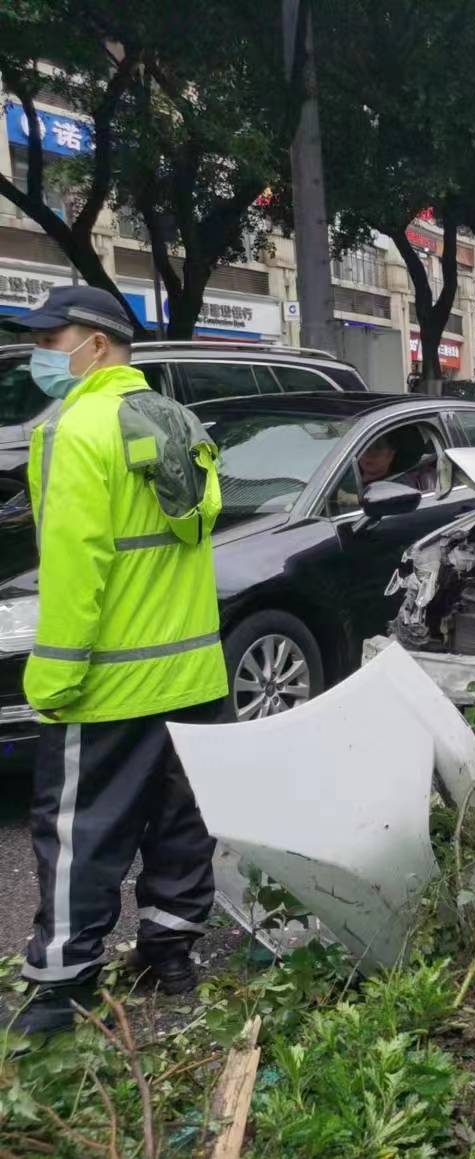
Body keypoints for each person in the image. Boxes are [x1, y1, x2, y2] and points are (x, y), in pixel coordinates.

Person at [1, 287, 227, 1036]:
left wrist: (53, 679)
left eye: (52, 336)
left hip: (109, 685)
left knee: (80, 836)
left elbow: (75, 565)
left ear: (96, 344)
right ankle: (170, 957)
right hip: (193, 677)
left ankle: (60, 993)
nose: (43, 352)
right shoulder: (181, 420)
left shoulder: (76, 429)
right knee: (178, 824)